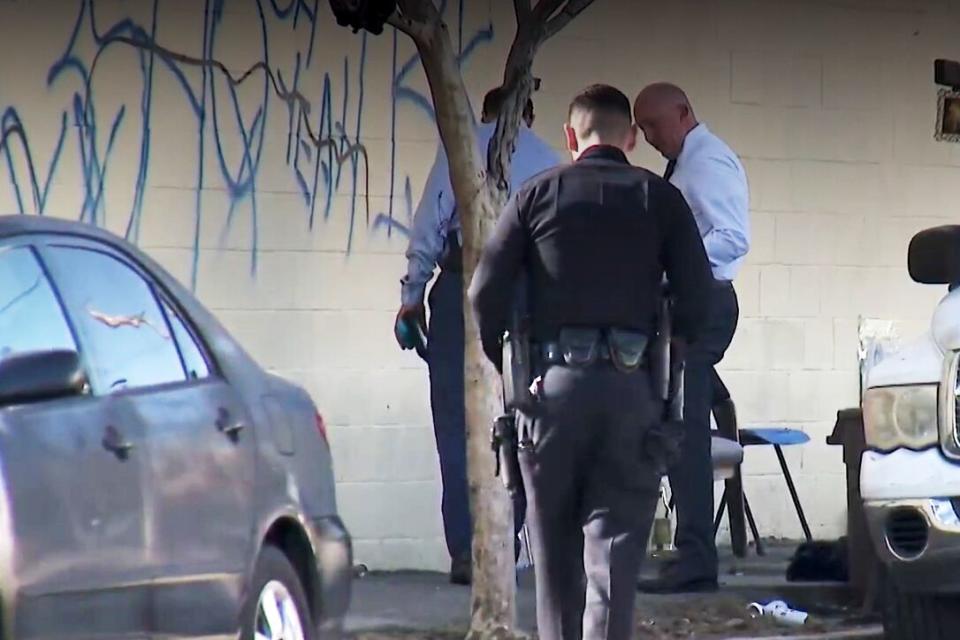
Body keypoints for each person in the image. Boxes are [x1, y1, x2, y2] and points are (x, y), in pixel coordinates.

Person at [468, 84, 713, 640]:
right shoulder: (660, 197)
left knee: (555, 566)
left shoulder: (536, 194)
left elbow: (485, 292)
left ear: (571, 136)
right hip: (633, 397)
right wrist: (673, 360)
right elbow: (699, 299)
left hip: (551, 393)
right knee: (614, 568)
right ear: (629, 137)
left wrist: (505, 365)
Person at [394, 86, 561, 585]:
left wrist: (411, 297)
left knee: (456, 420)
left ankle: (468, 551)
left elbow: (427, 230)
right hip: (528, 293)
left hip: (461, 284)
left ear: (485, 113)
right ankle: (507, 546)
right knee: (525, 417)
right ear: (526, 115)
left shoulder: (458, 152)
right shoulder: (550, 160)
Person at [633, 82, 750, 594]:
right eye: (642, 128)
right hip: (688, 303)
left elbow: (731, 238)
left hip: (702, 302)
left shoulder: (706, 162)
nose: (649, 136)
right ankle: (690, 553)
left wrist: (673, 260)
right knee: (677, 415)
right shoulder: (688, 161)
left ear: (683, 112)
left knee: (685, 428)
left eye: (654, 125)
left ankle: (697, 558)